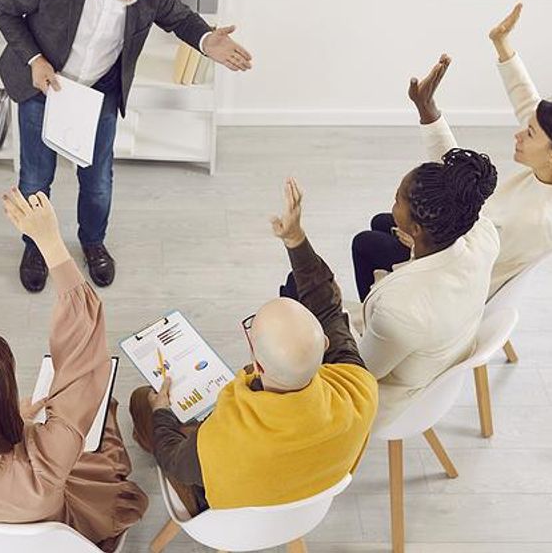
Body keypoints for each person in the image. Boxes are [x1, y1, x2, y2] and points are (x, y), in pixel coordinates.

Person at [0, 189, 146, 553]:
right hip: (59, 538)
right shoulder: (44, 462)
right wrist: (50, 241)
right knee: (103, 421)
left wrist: (11, 415)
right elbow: (85, 358)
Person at [128, 179, 378, 515]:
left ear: (256, 366)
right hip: (311, 500)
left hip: (232, 515)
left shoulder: (220, 442)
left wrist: (161, 411)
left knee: (144, 400)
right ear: (327, 345)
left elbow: (174, 458)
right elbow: (329, 307)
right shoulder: (359, 388)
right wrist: (295, 239)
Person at [0, 0, 253, 292]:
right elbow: (2, 6)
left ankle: (93, 242)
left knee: (98, 180)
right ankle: (36, 246)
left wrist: (206, 40)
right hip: (42, 84)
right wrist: (34, 59)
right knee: (35, 177)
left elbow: (179, 18)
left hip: (100, 90)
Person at [351, 3, 552, 301]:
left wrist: (421, 246)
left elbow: (473, 259)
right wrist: (501, 42)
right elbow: (527, 102)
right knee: (384, 221)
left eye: (529, 132)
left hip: (462, 281)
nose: (519, 133)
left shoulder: (537, 220)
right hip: (472, 237)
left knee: (366, 243)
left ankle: (376, 324)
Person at [354, 147, 499, 427]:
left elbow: (361, 371)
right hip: (441, 346)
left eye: (397, 200)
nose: (392, 204)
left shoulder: (401, 310)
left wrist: (330, 308)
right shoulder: (484, 236)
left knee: (295, 292)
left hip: (392, 397)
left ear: (417, 230)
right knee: (371, 236)